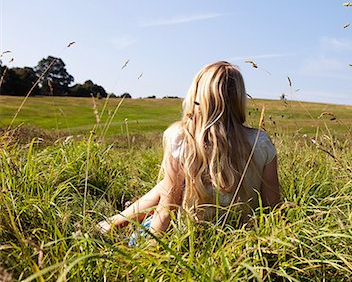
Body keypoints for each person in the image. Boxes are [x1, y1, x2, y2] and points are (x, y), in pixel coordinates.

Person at [97, 61, 280, 239]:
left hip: (189, 233)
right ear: (239, 98)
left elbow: (168, 208)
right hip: (241, 235)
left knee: (168, 186)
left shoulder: (181, 138)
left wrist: (151, 248)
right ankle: (111, 223)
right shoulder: (261, 142)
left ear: (197, 96)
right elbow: (273, 206)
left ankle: (110, 224)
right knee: (170, 183)